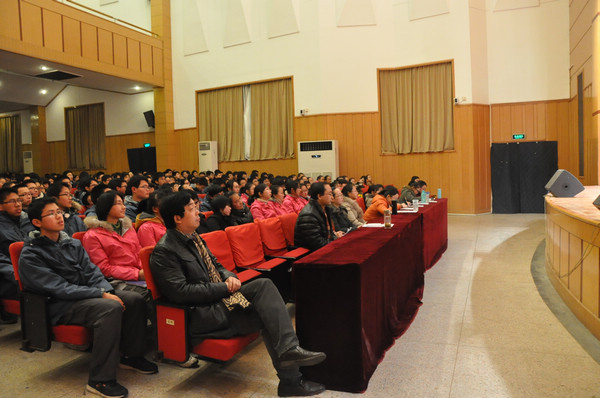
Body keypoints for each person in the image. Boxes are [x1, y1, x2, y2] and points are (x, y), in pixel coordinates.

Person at [149, 191, 326, 397]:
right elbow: (181, 293)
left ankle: (289, 358)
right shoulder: (165, 251)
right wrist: (224, 287)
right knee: (268, 313)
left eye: (197, 207)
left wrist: (229, 276)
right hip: (202, 315)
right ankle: (291, 379)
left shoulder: (194, 237)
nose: (199, 213)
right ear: (177, 218)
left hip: (219, 301)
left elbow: (216, 265)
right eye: (192, 209)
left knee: (264, 286)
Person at [19, 197, 157, 398]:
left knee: (133, 299)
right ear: (37, 223)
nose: (59, 216)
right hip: (59, 305)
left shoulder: (72, 243)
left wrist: (106, 291)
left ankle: (130, 356)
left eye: (59, 212)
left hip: (86, 296)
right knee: (109, 308)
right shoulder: (31, 254)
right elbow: (60, 289)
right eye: (51, 214)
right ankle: (100, 381)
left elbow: (92, 272)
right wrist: (100, 294)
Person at [83, 191, 144, 284]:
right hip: (115, 280)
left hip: (139, 274)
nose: (124, 207)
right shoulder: (93, 236)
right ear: (106, 206)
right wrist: (137, 274)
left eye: (123, 203)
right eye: (119, 204)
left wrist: (145, 270)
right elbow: (103, 268)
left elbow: (139, 253)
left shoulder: (128, 228)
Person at [0, 187, 35, 323]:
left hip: (28, 271)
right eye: (13, 201)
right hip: (9, 279)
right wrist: (19, 274)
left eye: (19, 201)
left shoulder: (23, 223)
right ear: (1, 206)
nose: (18, 204)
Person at [294, 182, 343, 251]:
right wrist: (336, 244)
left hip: (325, 247)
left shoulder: (326, 208)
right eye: (329, 194)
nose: (332, 197)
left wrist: (335, 239)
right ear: (319, 196)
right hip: (311, 253)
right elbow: (317, 243)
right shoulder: (308, 215)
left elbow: (329, 233)